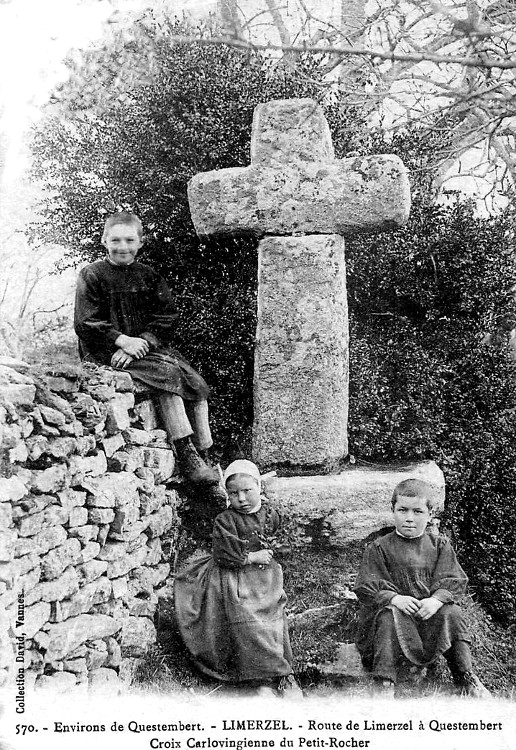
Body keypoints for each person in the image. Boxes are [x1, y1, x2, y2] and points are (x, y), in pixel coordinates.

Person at [74, 211, 220, 494]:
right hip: (107, 352)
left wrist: (143, 342)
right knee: (166, 376)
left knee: (196, 382)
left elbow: (167, 317)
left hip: (145, 349)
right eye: (115, 240)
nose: (123, 246)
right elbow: (85, 321)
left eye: (130, 240)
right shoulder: (91, 275)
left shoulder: (149, 276)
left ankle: (206, 452)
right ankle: (186, 450)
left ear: (141, 242)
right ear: (104, 241)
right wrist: (122, 341)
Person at [174, 459, 301, 697]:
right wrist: (251, 557)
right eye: (234, 494)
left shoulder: (271, 515)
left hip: (265, 577)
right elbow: (223, 553)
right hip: (233, 575)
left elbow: (284, 542)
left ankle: (282, 676)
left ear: (259, 488)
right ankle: (262, 680)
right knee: (246, 616)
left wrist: (277, 549)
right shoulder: (226, 520)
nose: (241, 499)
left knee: (273, 617)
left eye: (247, 491)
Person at [354, 478, 490, 698]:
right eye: (402, 510)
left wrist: (436, 600)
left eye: (417, 511)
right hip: (395, 617)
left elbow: (452, 579)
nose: (409, 518)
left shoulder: (439, 545)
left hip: (428, 618)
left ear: (430, 514)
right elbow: (368, 585)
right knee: (387, 617)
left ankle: (465, 677)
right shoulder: (379, 547)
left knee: (452, 613)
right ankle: (385, 682)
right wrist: (394, 598)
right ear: (393, 510)